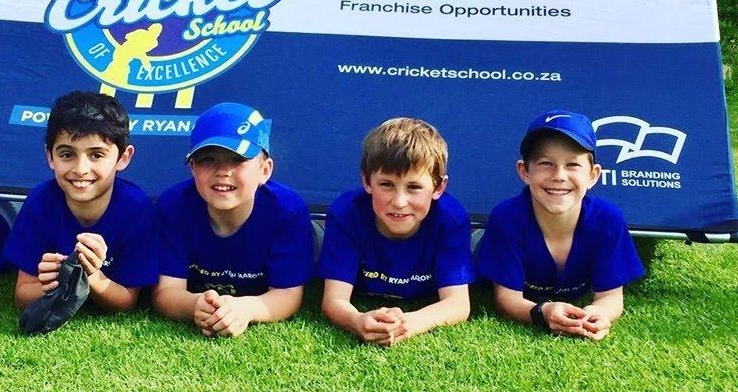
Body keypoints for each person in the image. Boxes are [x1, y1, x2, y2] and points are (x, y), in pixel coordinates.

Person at [476, 110, 645, 340]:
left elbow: (611, 297)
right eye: (546, 163)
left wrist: (597, 314)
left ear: (593, 175)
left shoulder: (607, 219)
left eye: (573, 164)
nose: (559, 175)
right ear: (524, 171)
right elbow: (507, 299)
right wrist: (542, 312)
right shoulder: (507, 217)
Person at [154, 102, 314, 337]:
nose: (222, 171)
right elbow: (166, 292)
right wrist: (195, 305)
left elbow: (288, 294)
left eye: (237, 159)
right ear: (192, 168)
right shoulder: (174, 205)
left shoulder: (287, 211)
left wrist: (246, 309)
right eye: (208, 159)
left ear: (265, 170)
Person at [318, 118, 473, 346]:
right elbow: (333, 300)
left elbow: (458, 304)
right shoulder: (346, 214)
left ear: (439, 187)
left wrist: (410, 323)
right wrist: (356, 320)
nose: (399, 202)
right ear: (367, 182)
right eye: (387, 185)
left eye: (414, 187)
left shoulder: (451, 220)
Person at [4, 91, 158, 313]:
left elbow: (126, 302)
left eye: (96, 155)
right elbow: (22, 295)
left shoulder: (136, 210)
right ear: (50, 156)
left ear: (123, 158)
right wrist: (55, 284)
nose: (81, 169)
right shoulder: (40, 202)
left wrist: (91, 275)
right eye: (67, 154)